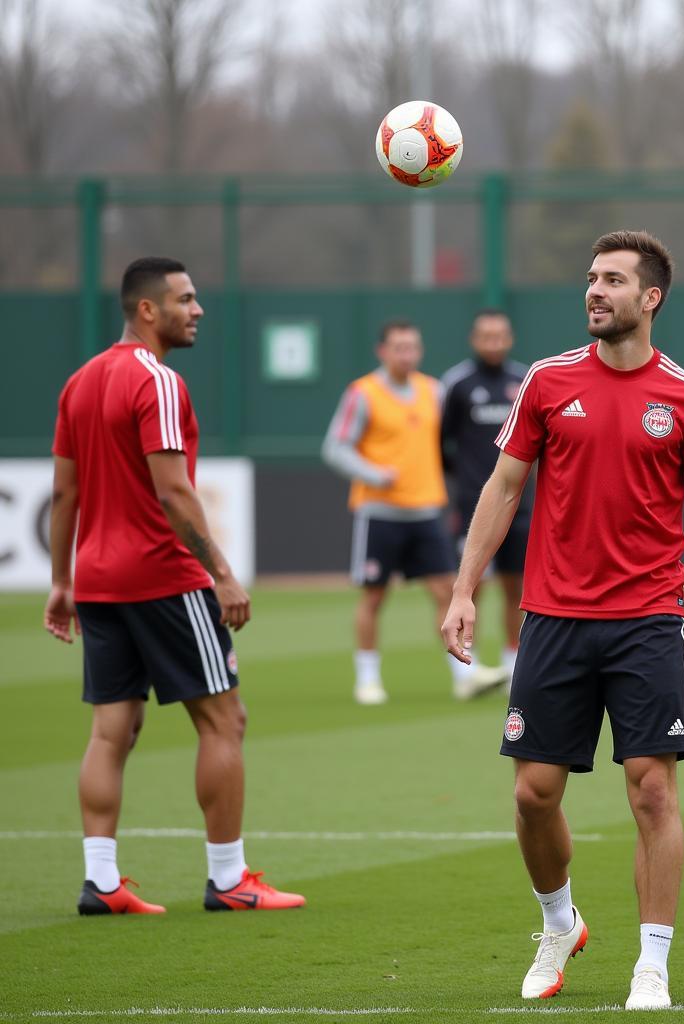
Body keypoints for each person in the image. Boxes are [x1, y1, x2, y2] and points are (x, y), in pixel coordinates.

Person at [441, 230, 684, 1010]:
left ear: (651, 299)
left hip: (647, 619)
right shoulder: (545, 382)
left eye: (612, 280)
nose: (594, 291)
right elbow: (503, 489)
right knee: (533, 796)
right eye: (590, 278)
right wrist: (465, 589)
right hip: (551, 618)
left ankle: (652, 964)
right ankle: (559, 921)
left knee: (651, 792)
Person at [45, 257, 305, 915]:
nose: (199, 310)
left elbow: (64, 493)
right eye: (187, 300)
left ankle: (101, 884)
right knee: (224, 719)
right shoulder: (156, 381)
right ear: (147, 310)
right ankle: (229, 880)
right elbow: (173, 491)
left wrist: (60, 581)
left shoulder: (78, 383)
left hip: (100, 581)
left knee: (112, 731)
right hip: (163, 576)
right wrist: (220, 572)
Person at [322, 319, 508, 705]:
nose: (407, 355)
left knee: (447, 592)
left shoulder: (434, 391)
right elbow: (336, 447)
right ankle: (368, 679)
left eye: (413, 348)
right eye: (399, 348)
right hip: (380, 512)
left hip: (426, 510)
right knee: (374, 597)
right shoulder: (363, 393)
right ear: (382, 351)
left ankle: (464, 675)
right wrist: (374, 473)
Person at [441, 310, 532, 679]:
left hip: (523, 505)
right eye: (486, 336)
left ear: (509, 339)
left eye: (500, 336)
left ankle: (514, 663)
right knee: (473, 582)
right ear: (474, 340)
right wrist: (463, 480)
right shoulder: (458, 384)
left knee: (517, 587)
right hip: (472, 504)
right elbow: (439, 442)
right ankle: (468, 666)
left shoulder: (525, 379)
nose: (493, 343)